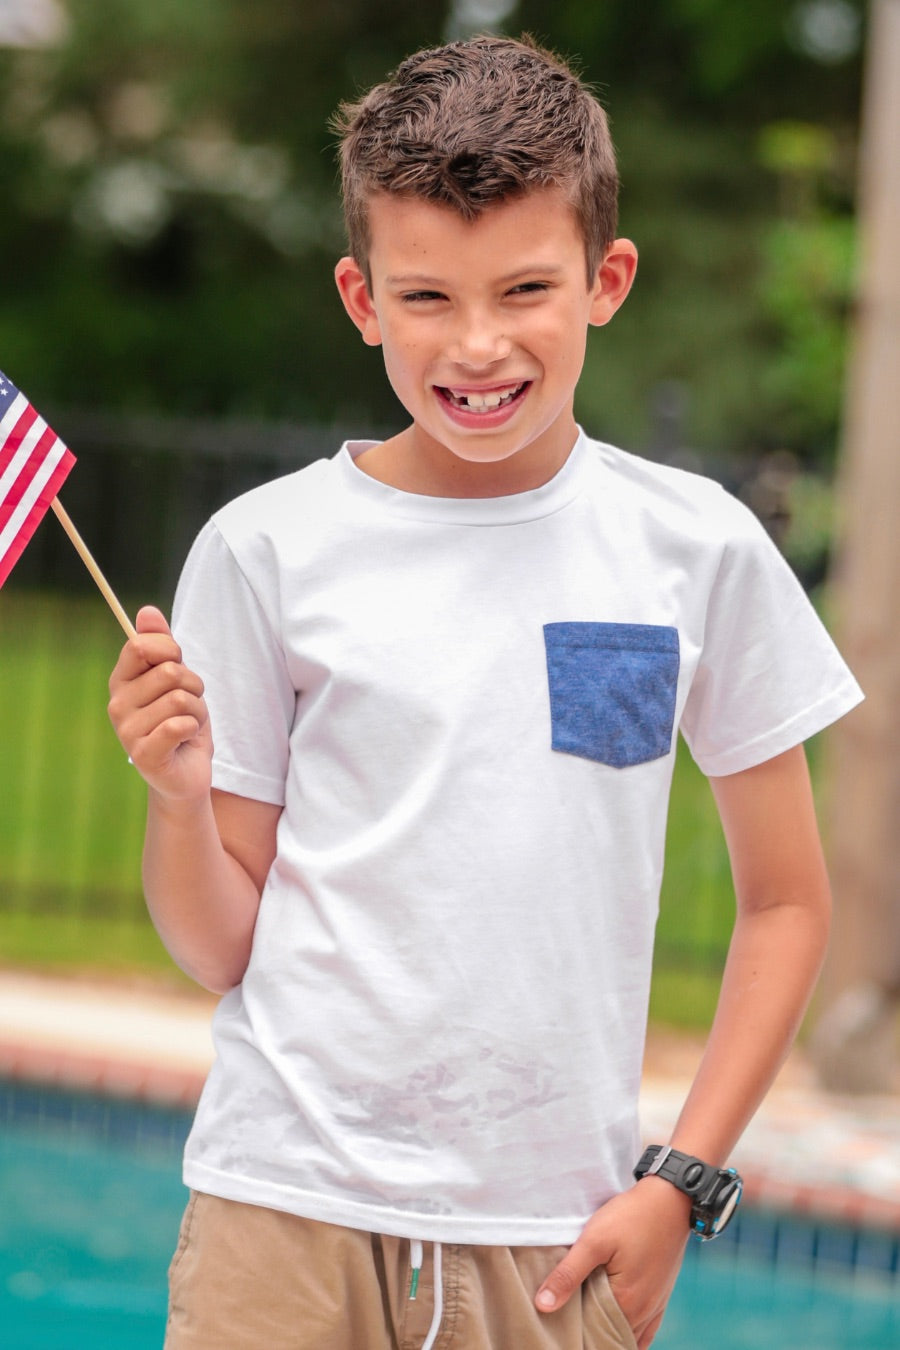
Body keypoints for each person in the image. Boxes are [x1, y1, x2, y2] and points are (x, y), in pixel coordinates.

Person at [107, 34, 862, 1350]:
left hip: (555, 1238)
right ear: (360, 298)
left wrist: (681, 1179)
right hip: (279, 1217)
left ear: (605, 278)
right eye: (425, 298)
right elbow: (221, 945)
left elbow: (790, 901)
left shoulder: (695, 548)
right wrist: (177, 801)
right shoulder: (263, 548)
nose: (477, 344)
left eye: (524, 288)